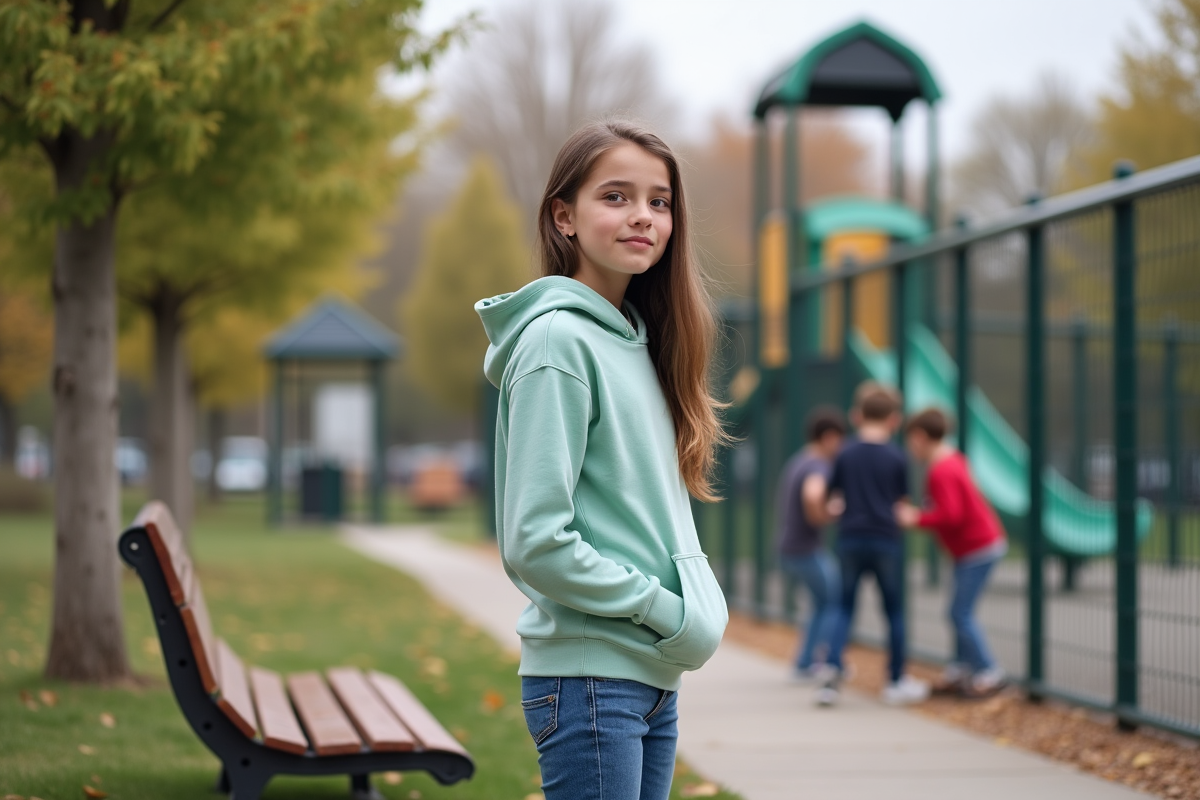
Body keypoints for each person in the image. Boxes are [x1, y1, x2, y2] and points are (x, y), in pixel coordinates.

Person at [475, 120, 729, 800]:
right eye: (616, 196)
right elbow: (536, 541)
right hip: (593, 681)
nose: (642, 216)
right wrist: (662, 610)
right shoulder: (558, 344)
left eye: (659, 201)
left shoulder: (641, 342)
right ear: (565, 216)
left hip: (649, 678)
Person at [817, 383, 929, 707]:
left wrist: (838, 508)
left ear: (857, 415)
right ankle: (895, 681)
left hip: (850, 538)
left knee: (843, 606)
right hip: (885, 540)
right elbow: (902, 503)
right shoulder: (897, 456)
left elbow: (831, 497)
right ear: (894, 419)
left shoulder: (845, 453)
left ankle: (831, 674)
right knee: (893, 610)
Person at [895, 408, 1008, 697]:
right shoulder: (952, 459)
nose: (910, 447)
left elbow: (951, 514)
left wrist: (916, 518)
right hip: (973, 548)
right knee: (958, 611)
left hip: (977, 547)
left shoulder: (941, 469)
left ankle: (989, 671)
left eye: (910, 440)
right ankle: (959, 670)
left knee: (960, 613)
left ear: (920, 437)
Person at [776, 406, 846, 681]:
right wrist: (827, 514)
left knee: (821, 603)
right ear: (829, 437)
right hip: (805, 548)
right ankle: (822, 660)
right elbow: (813, 495)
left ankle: (805, 662)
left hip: (791, 547)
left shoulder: (799, 460)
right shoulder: (818, 465)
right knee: (834, 600)